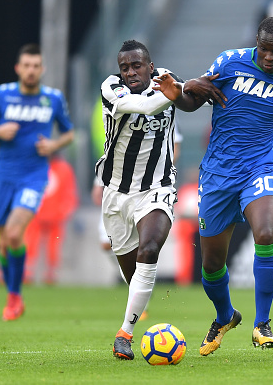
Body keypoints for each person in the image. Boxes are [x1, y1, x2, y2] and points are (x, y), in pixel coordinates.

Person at [155, 16, 273, 355]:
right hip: (217, 175)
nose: (270, 57)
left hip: (261, 167)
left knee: (265, 234)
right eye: (264, 50)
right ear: (256, 44)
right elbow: (193, 100)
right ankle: (225, 315)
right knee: (212, 265)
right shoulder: (229, 62)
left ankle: (262, 324)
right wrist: (177, 94)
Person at [95, 40, 224, 360]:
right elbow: (143, 106)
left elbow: (188, 103)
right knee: (132, 273)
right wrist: (181, 88)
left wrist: (184, 91)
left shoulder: (166, 77)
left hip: (157, 188)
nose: (130, 72)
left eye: (137, 66)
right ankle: (137, 308)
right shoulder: (111, 88)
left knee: (149, 249)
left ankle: (124, 334)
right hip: (116, 193)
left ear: (150, 66)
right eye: (125, 67)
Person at [0, 43, 74, 321]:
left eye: (35, 66)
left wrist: (52, 145)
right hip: (4, 177)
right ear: (18, 68)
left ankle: (14, 297)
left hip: (34, 176)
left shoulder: (53, 98)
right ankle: (14, 294)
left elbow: (69, 134)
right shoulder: (2, 95)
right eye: (26, 65)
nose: (30, 70)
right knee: (4, 245)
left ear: (42, 69)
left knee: (15, 234)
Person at [23, 154, 78, 284]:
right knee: (30, 243)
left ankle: (51, 274)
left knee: (54, 246)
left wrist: (64, 212)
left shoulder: (63, 168)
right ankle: (27, 273)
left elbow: (69, 193)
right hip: (35, 215)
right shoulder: (34, 166)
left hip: (54, 216)